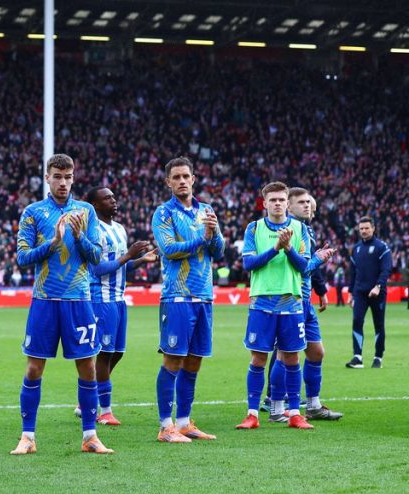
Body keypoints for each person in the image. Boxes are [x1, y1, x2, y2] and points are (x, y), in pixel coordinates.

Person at [8, 154, 113, 458]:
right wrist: (52, 244)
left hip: (79, 300)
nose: (63, 182)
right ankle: (28, 436)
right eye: (57, 176)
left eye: (68, 177)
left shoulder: (86, 211)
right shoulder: (33, 212)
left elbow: (95, 257)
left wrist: (79, 235)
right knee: (33, 367)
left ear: (73, 178)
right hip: (44, 300)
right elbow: (22, 257)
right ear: (47, 177)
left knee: (88, 367)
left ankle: (90, 436)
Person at [235, 182, 334, 431]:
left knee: (291, 357)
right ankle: (252, 414)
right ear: (265, 203)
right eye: (273, 200)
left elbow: (303, 266)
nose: (277, 203)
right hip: (261, 301)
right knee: (258, 358)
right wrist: (275, 248)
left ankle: (294, 414)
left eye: (281, 199)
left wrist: (288, 248)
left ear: (287, 202)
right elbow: (249, 264)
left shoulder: (299, 229)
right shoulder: (253, 228)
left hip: (291, 302)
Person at [150, 156, 225, 443]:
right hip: (177, 295)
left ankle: (183, 422)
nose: (182, 181)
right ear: (168, 182)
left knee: (194, 362)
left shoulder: (207, 210)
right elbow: (169, 249)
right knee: (173, 359)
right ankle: (165, 425)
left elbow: (218, 251)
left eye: (186, 176)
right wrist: (203, 238)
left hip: (204, 295)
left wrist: (213, 234)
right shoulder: (164, 214)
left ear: (193, 179)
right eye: (176, 177)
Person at [81, 186, 158, 427]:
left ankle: (88, 394)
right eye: (107, 198)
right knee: (104, 353)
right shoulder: (94, 231)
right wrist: (128, 256)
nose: (114, 201)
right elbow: (96, 269)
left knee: (117, 353)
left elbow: (120, 266)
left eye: (114, 197)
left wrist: (139, 260)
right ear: (95, 205)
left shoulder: (119, 229)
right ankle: (104, 411)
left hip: (118, 297)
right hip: (100, 297)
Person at [263, 189, 342, 420]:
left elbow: (308, 266)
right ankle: (275, 406)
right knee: (284, 355)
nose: (307, 206)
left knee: (316, 352)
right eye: (302, 202)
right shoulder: (291, 231)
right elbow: (303, 267)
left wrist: (318, 277)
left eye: (309, 202)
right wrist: (318, 258)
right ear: (289, 205)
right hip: (291, 301)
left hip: (305, 302)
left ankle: (314, 406)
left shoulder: (306, 230)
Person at [345, 217, 391, 369]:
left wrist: (378, 286)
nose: (364, 231)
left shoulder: (382, 247)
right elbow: (353, 273)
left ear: (373, 228)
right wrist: (351, 293)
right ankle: (357, 357)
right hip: (360, 293)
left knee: (379, 325)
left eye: (367, 228)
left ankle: (378, 357)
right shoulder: (356, 248)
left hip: (378, 293)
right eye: (361, 228)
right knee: (357, 321)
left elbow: (386, 270)